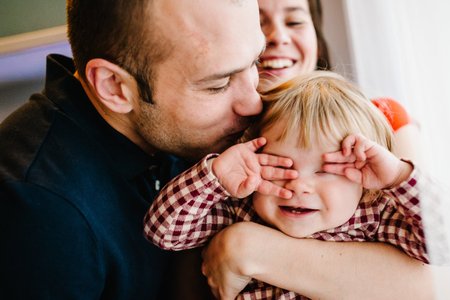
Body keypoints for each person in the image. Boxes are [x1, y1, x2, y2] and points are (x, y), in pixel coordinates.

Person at [0, 0, 266, 298]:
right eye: (217, 85)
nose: (254, 102)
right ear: (114, 86)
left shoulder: (190, 132)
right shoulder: (38, 211)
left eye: (256, 62)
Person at [144, 71, 441, 299]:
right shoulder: (242, 208)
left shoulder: (373, 216)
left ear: (365, 182)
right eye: (280, 166)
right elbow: (163, 232)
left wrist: (400, 177)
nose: (299, 186)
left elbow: (445, 246)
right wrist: (215, 178)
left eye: (327, 170)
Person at [256, 0, 425, 165]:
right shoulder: (232, 150)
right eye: (256, 23)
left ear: (318, 42)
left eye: (294, 22)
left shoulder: (384, 118)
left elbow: (419, 193)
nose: (277, 36)